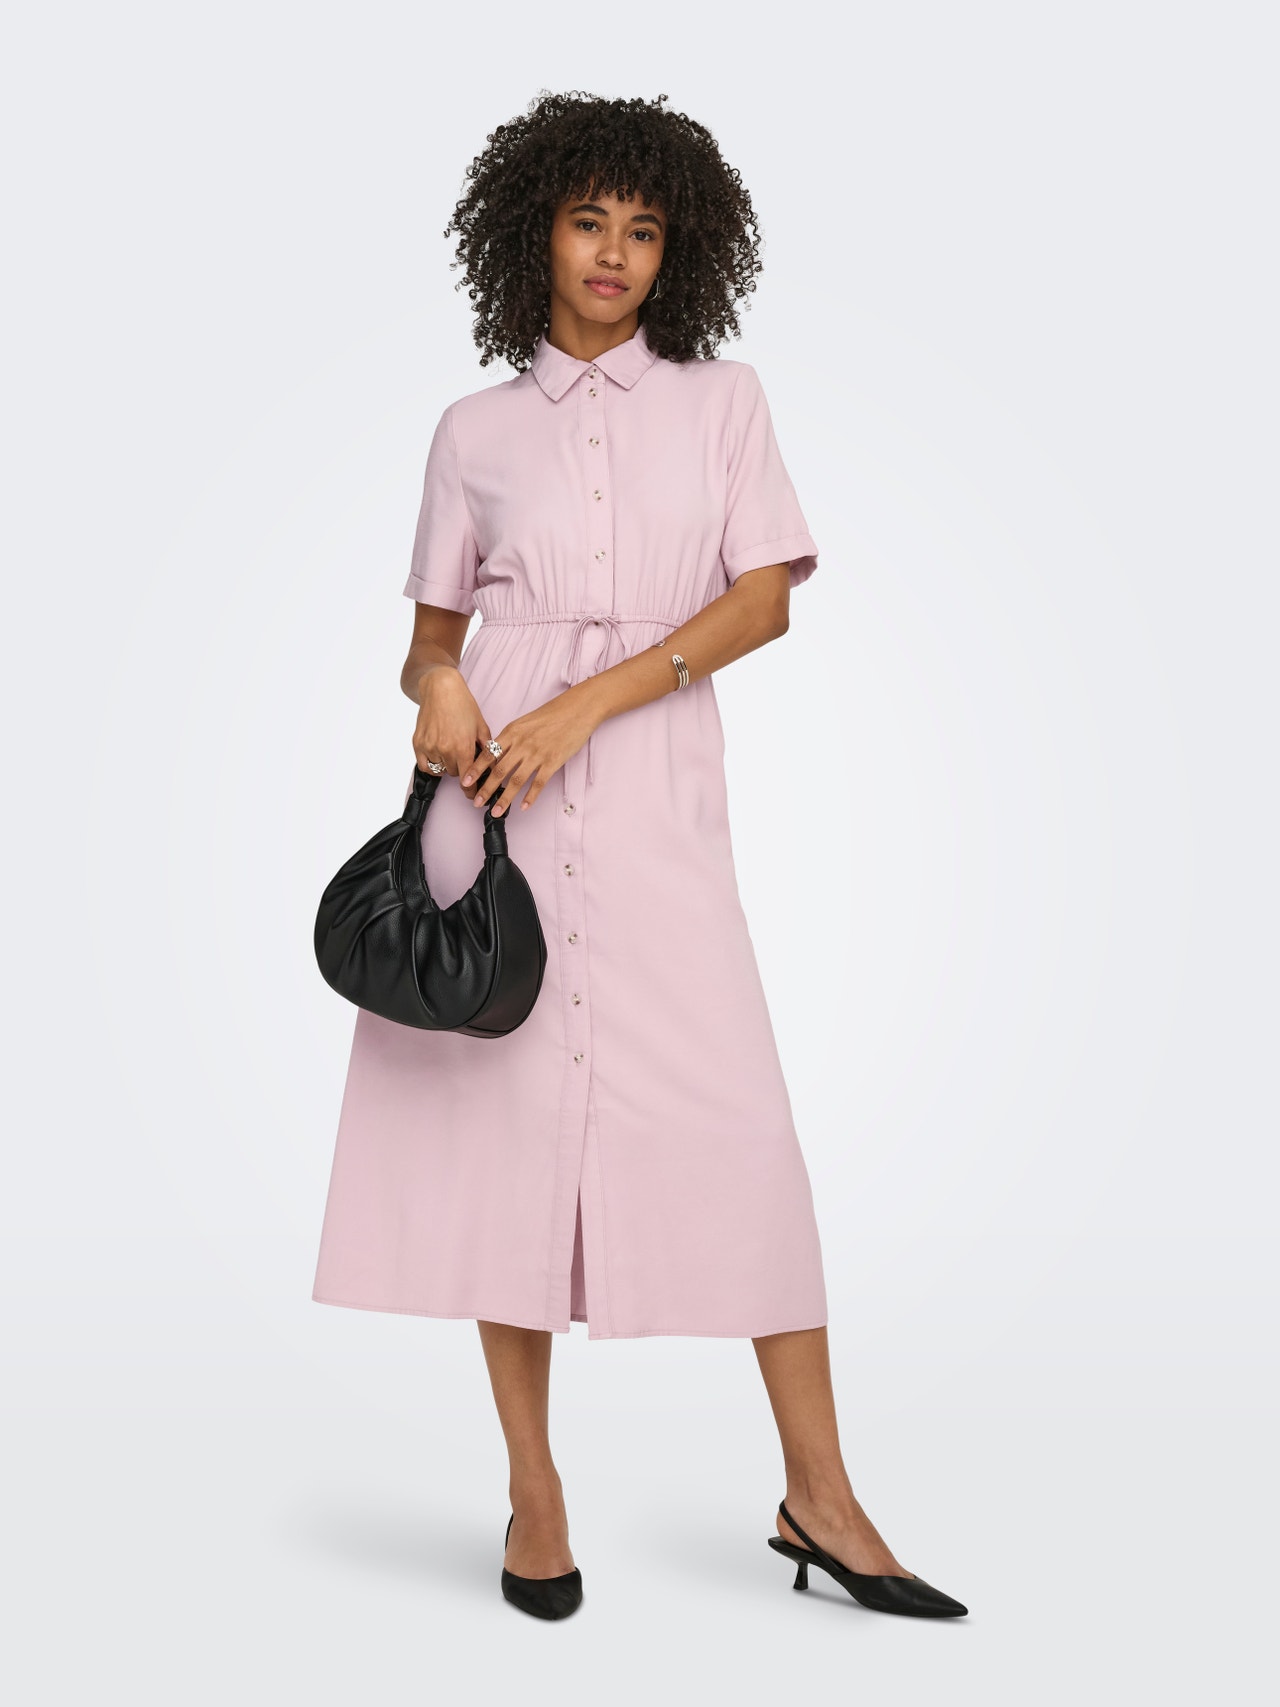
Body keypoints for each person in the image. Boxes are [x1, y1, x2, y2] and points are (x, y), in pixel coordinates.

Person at [312, 90, 967, 1623]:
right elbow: (429, 644)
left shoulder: (723, 402)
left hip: (656, 794)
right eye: (587, 220)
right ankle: (534, 1493)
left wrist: (588, 703)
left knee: (740, 1131)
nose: (614, 253)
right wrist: (445, 689)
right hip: (495, 801)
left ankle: (821, 1496)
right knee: (503, 1145)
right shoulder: (472, 432)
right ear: (532, 232)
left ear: (681, 251)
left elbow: (763, 601)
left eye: (645, 229)